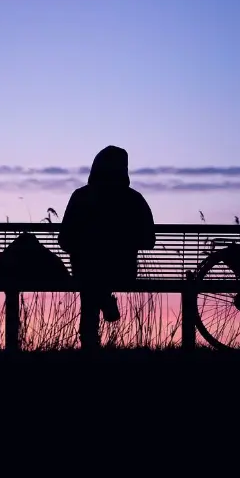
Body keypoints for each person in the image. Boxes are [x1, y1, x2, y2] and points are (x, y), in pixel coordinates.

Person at [58, 145, 156, 350]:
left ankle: (89, 344)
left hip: (85, 271)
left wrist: (87, 243)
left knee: (89, 281)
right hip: (123, 270)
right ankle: (103, 299)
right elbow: (149, 240)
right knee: (93, 279)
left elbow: (64, 240)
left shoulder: (81, 196)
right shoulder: (133, 199)